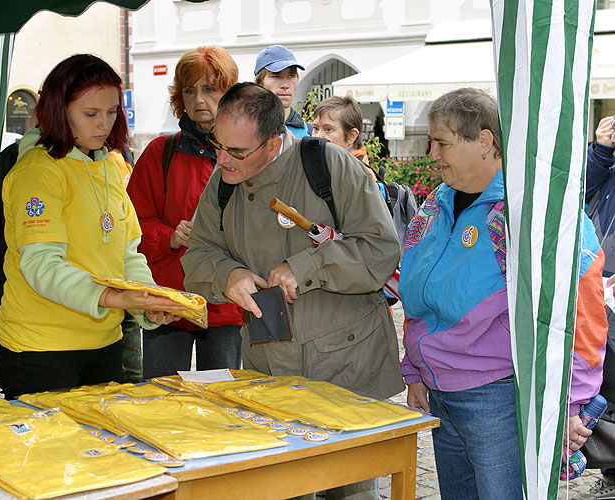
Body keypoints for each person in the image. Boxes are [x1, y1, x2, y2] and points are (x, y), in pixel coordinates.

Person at [182, 82, 403, 500]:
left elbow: (381, 249)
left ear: (273, 142)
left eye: (237, 152)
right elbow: (198, 256)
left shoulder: (328, 166)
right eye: (218, 145)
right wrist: (226, 274)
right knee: (285, 489)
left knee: (351, 489)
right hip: (271, 371)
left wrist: (305, 267)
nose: (222, 159)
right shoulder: (223, 182)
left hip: (345, 369)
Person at [399, 88, 607, 500]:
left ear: (485, 140)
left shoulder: (530, 211)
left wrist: (570, 402)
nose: (432, 154)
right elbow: (416, 296)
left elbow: (581, 304)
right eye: (431, 142)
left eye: (442, 142)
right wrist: (415, 372)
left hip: (499, 397)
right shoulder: (433, 207)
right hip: (440, 394)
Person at [0, 54, 185, 400]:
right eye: (91, 114)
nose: (104, 125)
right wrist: (115, 297)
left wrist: (146, 300)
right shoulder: (38, 171)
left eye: (112, 112)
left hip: (104, 345)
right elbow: (43, 266)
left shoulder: (111, 165)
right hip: (40, 350)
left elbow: (128, 253)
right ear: (58, 110)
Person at [127, 46, 243, 379]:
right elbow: (132, 227)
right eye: (190, 90)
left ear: (229, 93)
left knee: (220, 405)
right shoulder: (159, 152)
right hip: (168, 303)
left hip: (225, 305)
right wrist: (170, 236)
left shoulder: (246, 155)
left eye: (209, 89)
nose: (198, 99)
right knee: (160, 402)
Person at [579, 116, 615, 500]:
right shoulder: (607, 163)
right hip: (601, 288)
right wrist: (601, 150)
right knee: (605, 383)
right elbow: (578, 192)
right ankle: (612, 470)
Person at [254, 45, 311, 138]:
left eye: (291, 76)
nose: (285, 85)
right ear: (259, 83)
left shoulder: (310, 133)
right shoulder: (244, 130)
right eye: (276, 76)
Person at [311, 95, 370, 166]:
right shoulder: (330, 164)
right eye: (316, 128)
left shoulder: (358, 174)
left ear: (351, 136)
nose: (317, 136)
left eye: (328, 130)